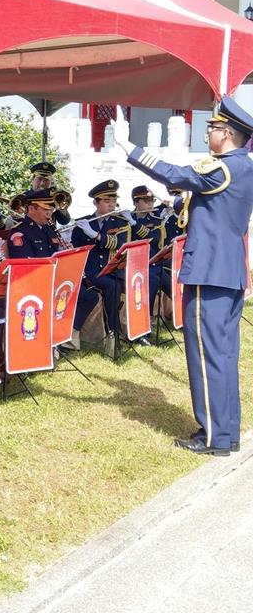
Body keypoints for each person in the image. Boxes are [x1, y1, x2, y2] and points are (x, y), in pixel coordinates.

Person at [113, 96, 253, 455]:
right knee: (222, 355)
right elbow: (209, 204)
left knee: (205, 354)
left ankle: (213, 437)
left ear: (227, 133)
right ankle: (226, 432)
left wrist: (132, 150)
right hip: (227, 270)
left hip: (209, 270)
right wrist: (173, 203)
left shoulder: (223, 168)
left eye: (212, 128)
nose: (207, 134)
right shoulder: (241, 167)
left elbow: (179, 175)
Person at [8, 189, 98, 342]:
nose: (49, 213)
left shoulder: (48, 229)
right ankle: (53, 336)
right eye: (45, 209)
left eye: (51, 209)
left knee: (89, 296)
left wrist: (65, 251)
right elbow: (25, 265)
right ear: (31, 209)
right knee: (71, 295)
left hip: (53, 277)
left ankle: (67, 333)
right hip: (34, 281)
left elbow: (55, 252)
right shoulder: (20, 232)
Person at [70, 180, 130, 353]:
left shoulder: (120, 222)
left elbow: (120, 243)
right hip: (91, 271)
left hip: (113, 269)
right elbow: (76, 250)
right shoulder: (83, 222)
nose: (112, 205)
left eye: (113, 201)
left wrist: (95, 235)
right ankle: (112, 332)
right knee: (113, 287)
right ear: (96, 203)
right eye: (107, 201)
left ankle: (128, 329)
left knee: (128, 283)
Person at [129, 185, 173, 310]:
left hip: (153, 263)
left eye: (152, 200)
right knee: (153, 281)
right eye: (146, 201)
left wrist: (135, 225)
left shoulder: (155, 220)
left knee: (172, 288)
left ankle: (184, 318)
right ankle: (147, 318)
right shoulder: (125, 219)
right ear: (135, 202)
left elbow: (153, 240)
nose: (150, 204)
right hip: (134, 264)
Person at [24, 162, 71, 226]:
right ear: (33, 179)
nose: (42, 184)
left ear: (51, 182)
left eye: (46, 180)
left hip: (49, 235)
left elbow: (64, 221)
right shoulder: (23, 197)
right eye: (39, 179)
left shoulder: (54, 197)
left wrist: (58, 205)